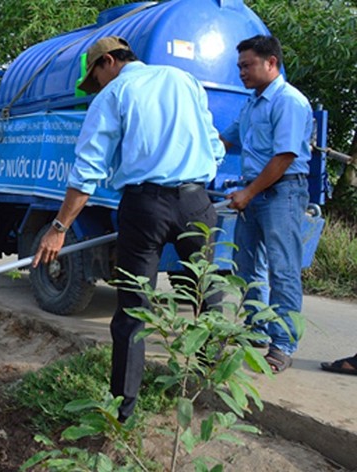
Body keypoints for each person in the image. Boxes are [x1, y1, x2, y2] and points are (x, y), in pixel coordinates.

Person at [32, 36, 225, 422]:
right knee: (207, 294)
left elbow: (86, 170)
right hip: (196, 203)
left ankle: (124, 410)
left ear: (107, 62)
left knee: (134, 308)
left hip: (146, 205)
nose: (97, 86)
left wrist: (58, 227)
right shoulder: (182, 79)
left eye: (95, 77)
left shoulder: (114, 93)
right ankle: (207, 385)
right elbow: (214, 145)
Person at [220, 35, 312, 374]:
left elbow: (285, 156)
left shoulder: (288, 101)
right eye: (239, 66)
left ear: (271, 63)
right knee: (247, 266)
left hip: (281, 193)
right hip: (255, 193)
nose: (241, 72)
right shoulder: (253, 103)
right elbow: (227, 139)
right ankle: (257, 330)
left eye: (247, 65)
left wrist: (249, 193)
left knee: (282, 269)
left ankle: (283, 343)